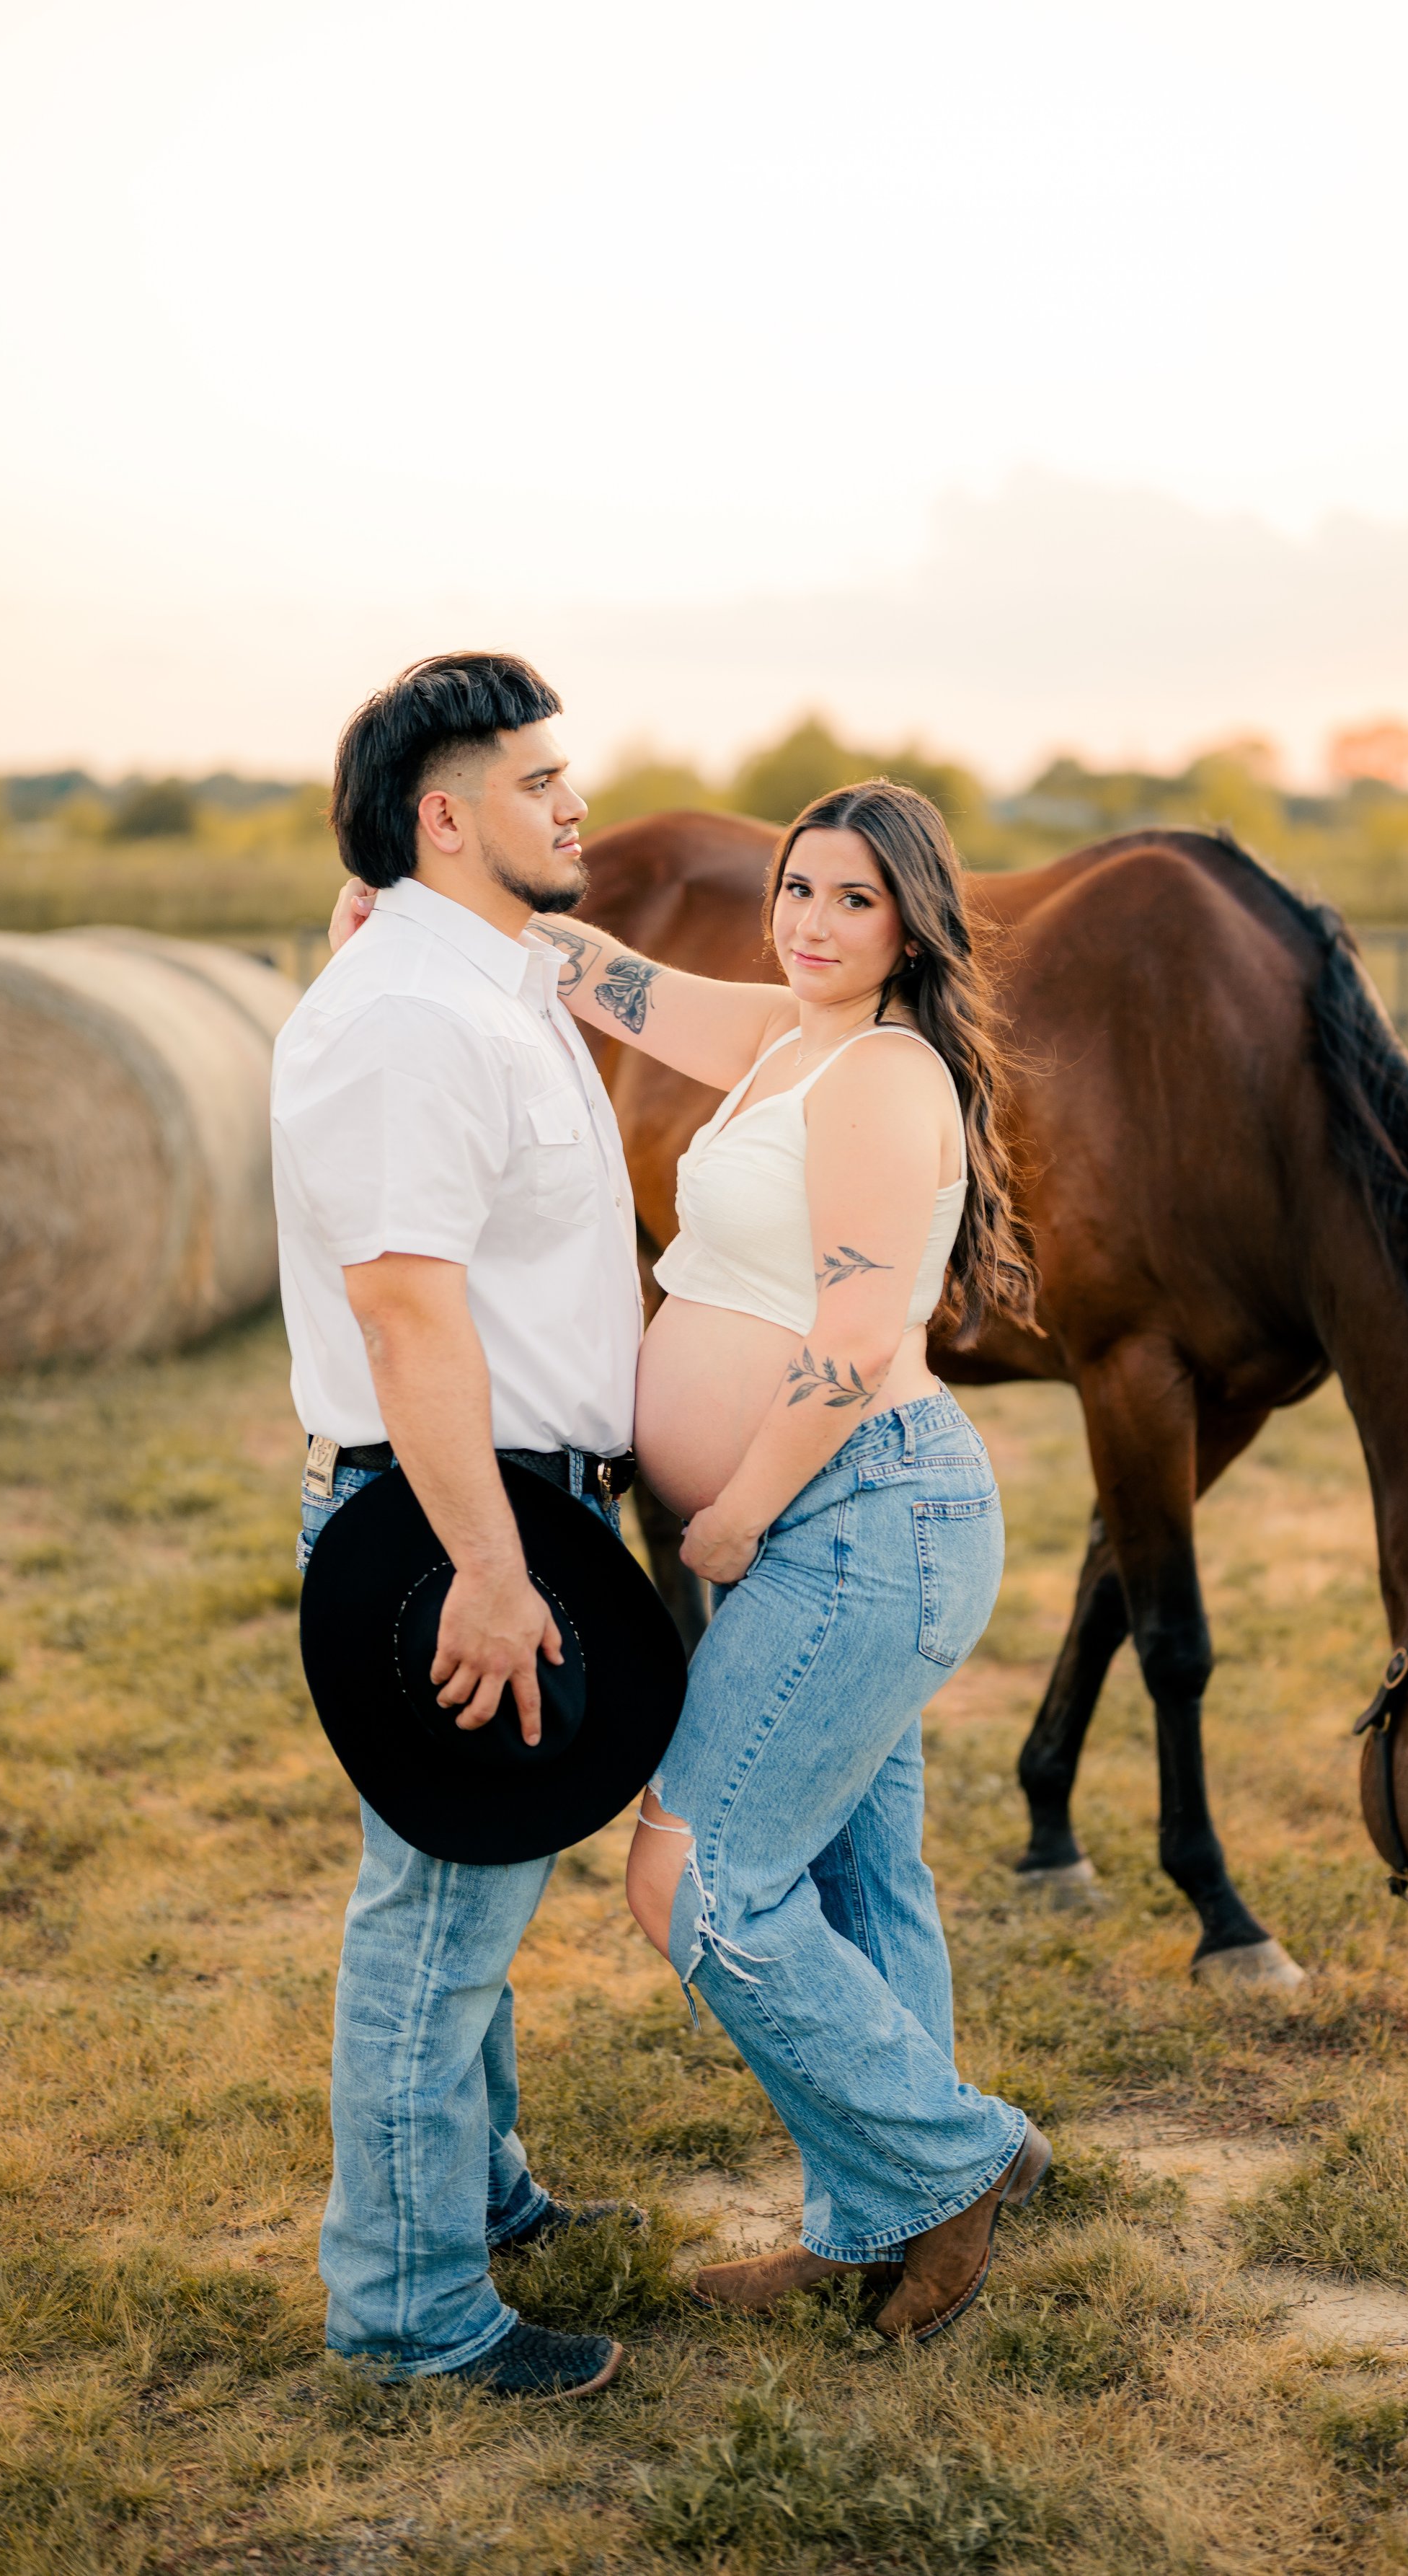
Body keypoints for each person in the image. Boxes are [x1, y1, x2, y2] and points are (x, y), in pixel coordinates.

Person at [525, 779, 1050, 2339]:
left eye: (853, 900)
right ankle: (875, 2215)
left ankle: (952, 2161)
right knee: (856, 1875)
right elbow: (600, 975)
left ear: (910, 925)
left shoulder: (884, 1077)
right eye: (797, 889)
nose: (813, 922)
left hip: (853, 1516)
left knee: (690, 1871)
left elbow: (851, 1331)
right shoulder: (779, 1034)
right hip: (840, 1522)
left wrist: (738, 1510)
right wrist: (432, 915)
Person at [273, 650, 649, 2401]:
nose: (574, 802)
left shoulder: (477, 975)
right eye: (537, 781)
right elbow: (407, 1312)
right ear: (445, 816)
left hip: (505, 1509)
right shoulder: (415, 1015)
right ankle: (409, 2309)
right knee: (432, 1922)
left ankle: (477, 2198)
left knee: (474, 1894)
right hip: (450, 1524)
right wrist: (489, 1574)